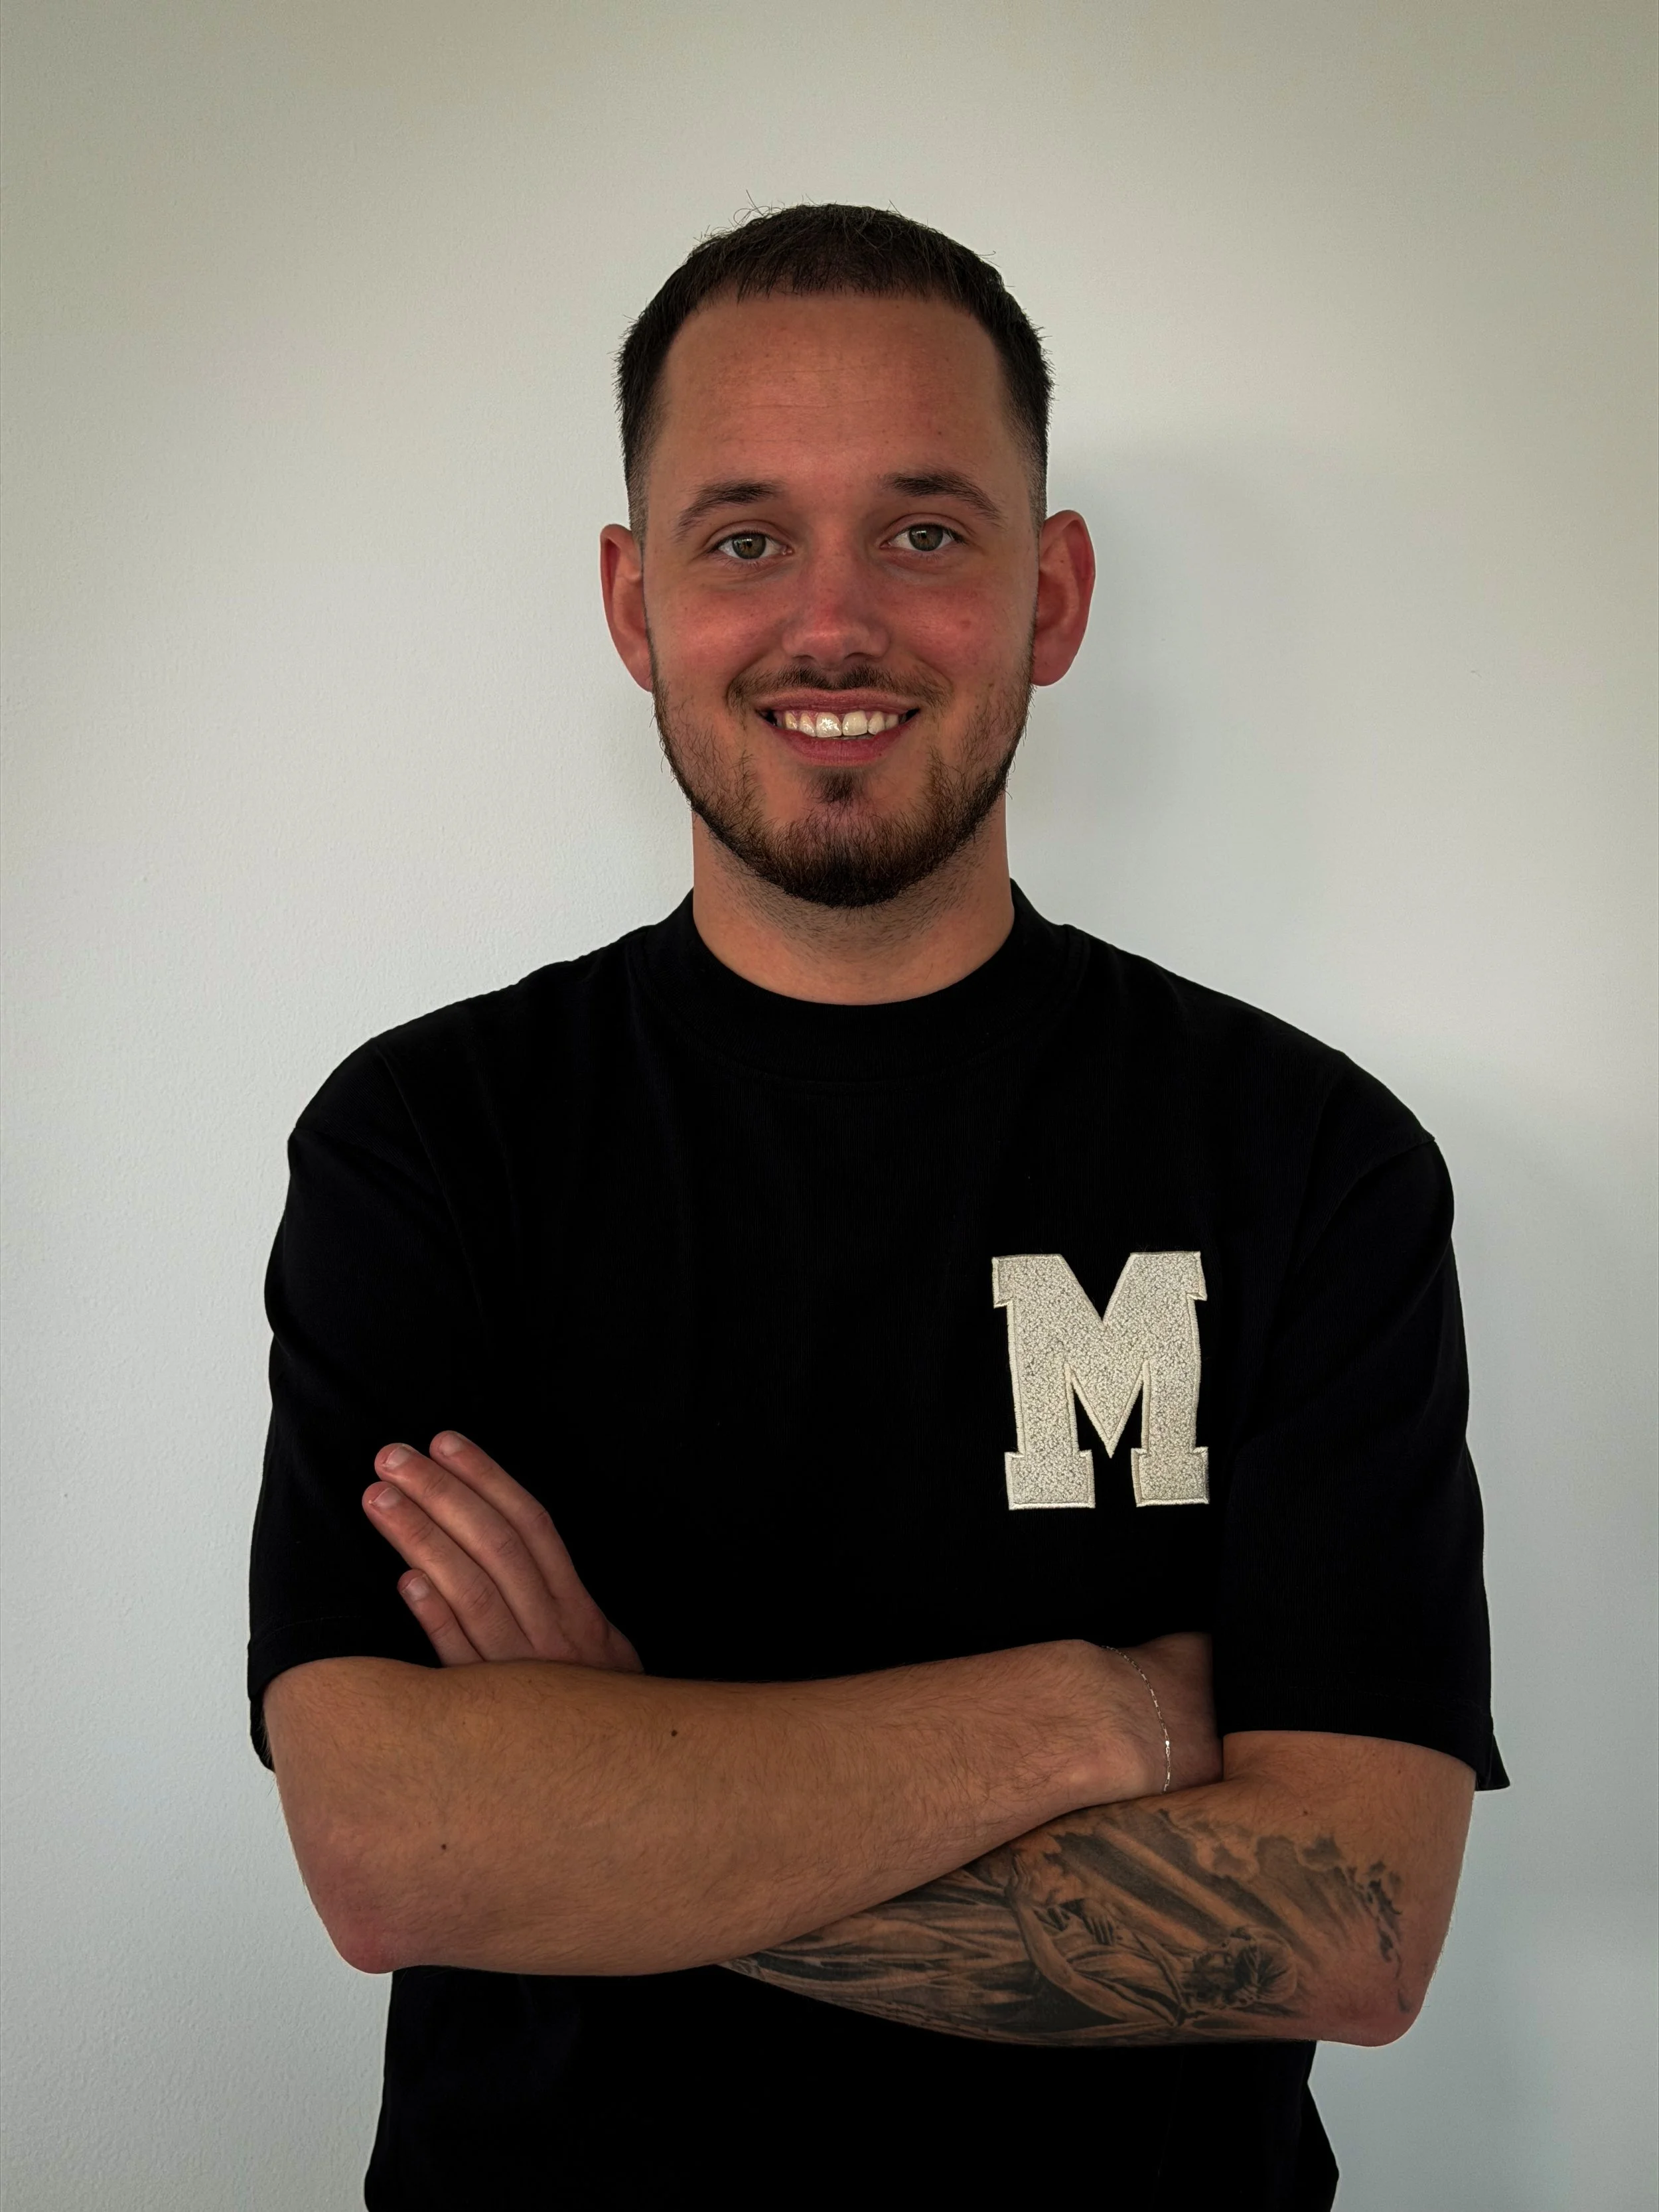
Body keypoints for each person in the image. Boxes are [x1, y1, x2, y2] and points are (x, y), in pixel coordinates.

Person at [250, 204, 1504, 2211]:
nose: (831, 621)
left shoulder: (1308, 1155)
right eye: (742, 535)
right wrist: (1084, 1710)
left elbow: (1348, 1926)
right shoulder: (431, 1140)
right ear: (632, 598)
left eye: (924, 530)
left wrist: (618, 1787)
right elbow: (396, 1851)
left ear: (1054, 592)